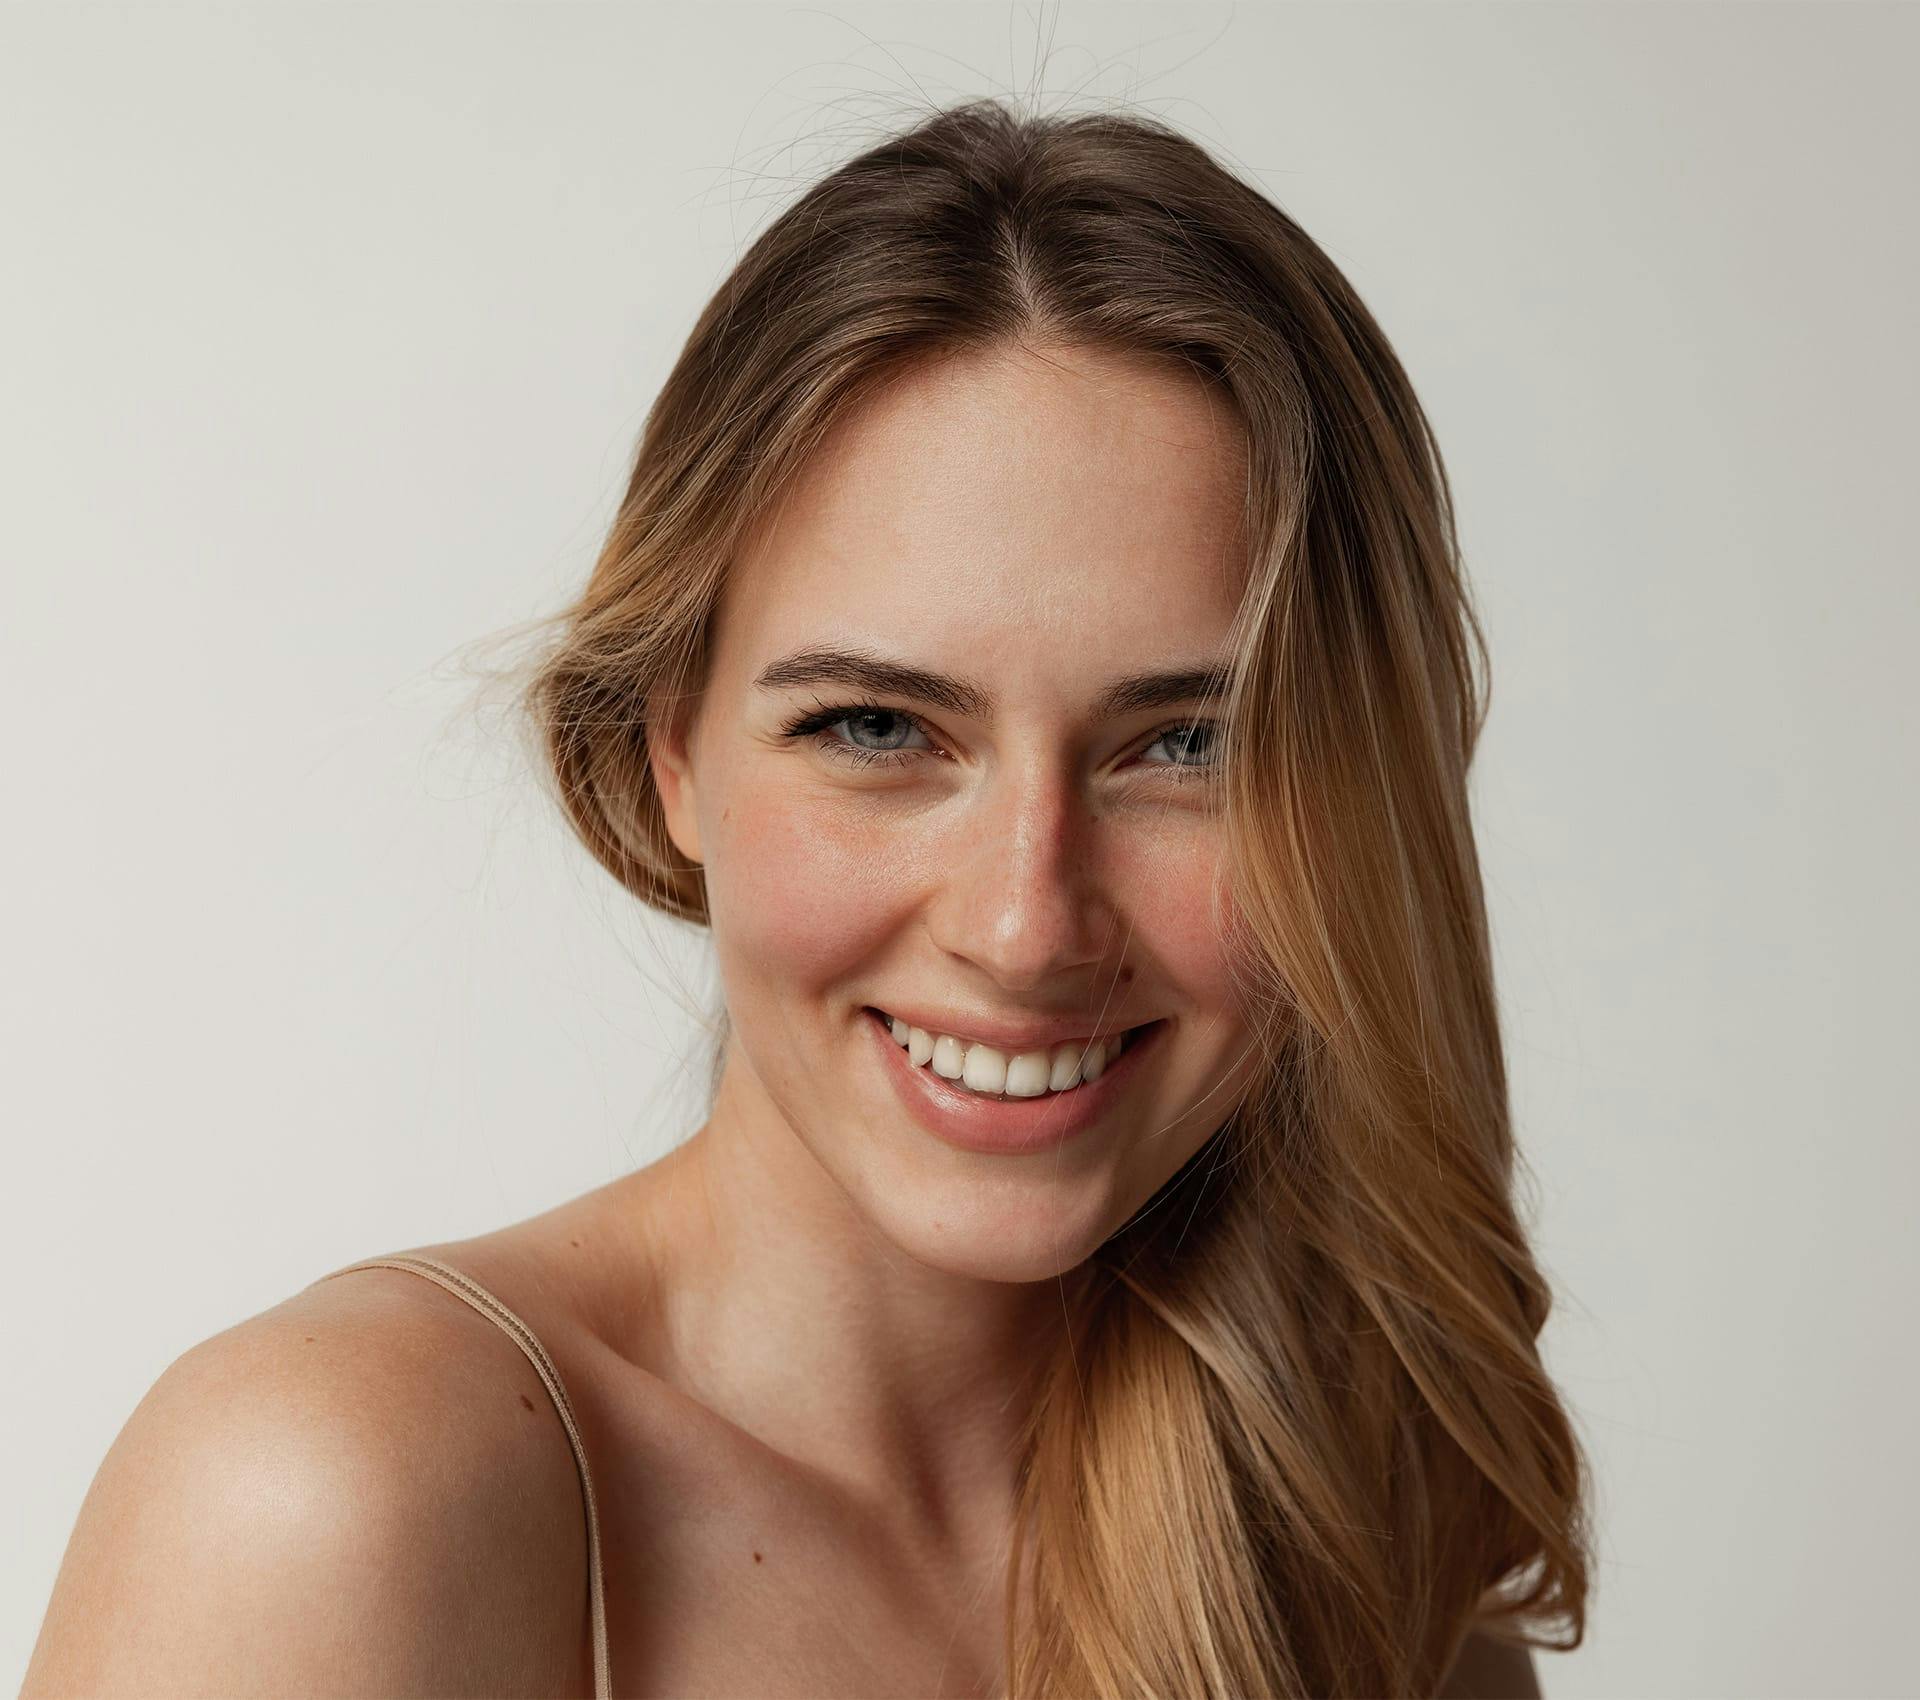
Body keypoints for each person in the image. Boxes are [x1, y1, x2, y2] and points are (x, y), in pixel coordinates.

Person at [24, 98, 1590, 1699]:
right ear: (670, 759)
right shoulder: (331, 1505)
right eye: (878, 731)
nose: (1025, 925)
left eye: (1188, 743)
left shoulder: (1364, 1564)